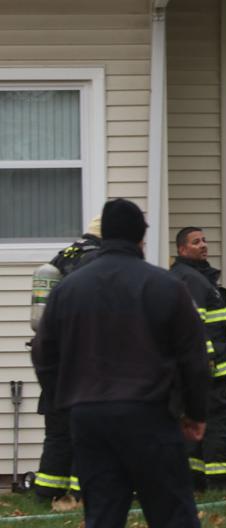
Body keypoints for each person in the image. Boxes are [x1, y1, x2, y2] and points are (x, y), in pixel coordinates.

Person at [31, 198, 208, 528]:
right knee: (172, 513)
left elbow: (43, 352)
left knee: (103, 514)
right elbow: (193, 357)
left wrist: (65, 400)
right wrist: (196, 412)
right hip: (150, 415)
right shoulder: (167, 285)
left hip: (89, 418)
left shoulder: (67, 289)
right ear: (141, 236)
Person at [31, 215, 102, 502]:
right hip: (82, 358)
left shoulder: (65, 255)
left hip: (55, 357)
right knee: (84, 431)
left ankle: (47, 491)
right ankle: (81, 493)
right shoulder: (96, 259)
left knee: (58, 430)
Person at [171, 227, 226, 490]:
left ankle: (195, 480)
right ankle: (221, 481)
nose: (203, 245)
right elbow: (193, 325)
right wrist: (207, 361)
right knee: (221, 421)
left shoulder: (194, 277)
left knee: (196, 423)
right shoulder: (190, 279)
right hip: (209, 370)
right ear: (182, 249)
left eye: (204, 240)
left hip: (201, 369)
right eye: (196, 242)